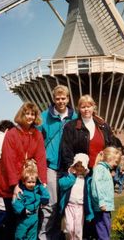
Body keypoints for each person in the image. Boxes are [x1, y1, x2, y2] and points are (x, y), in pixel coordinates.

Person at [0, 102, 47, 240]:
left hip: (28, 180)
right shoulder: (12, 133)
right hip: (10, 180)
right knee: (13, 218)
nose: (30, 117)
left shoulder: (37, 133)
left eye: (32, 114)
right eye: (27, 113)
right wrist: (14, 185)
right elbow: (8, 160)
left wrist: (43, 180)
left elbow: (41, 157)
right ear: (22, 114)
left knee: (28, 218)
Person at [37, 85, 77, 240]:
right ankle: (44, 236)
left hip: (69, 166)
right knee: (50, 205)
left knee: (67, 204)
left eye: (63, 98)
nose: (60, 101)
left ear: (68, 99)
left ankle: (61, 235)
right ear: (53, 99)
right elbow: (36, 137)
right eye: (57, 98)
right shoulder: (45, 116)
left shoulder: (74, 117)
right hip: (51, 166)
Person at [60, 94, 113, 173]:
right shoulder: (71, 127)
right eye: (83, 107)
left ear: (93, 107)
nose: (86, 109)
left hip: (101, 171)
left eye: (89, 106)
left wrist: (111, 167)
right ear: (78, 109)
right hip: (79, 171)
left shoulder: (103, 126)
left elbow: (111, 146)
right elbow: (66, 150)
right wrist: (71, 168)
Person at [12, 159, 50, 240]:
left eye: (33, 182)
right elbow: (15, 202)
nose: (31, 184)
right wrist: (23, 210)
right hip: (24, 218)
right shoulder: (22, 191)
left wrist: (44, 199)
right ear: (24, 182)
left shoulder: (37, 187)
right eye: (29, 182)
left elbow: (45, 193)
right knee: (20, 235)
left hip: (34, 217)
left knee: (32, 235)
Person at [59, 153, 94, 240]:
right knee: (69, 228)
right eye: (77, 166)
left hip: (80, 208)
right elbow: (61, 184)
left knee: (78, 230)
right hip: (69, 206)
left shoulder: (86, 180)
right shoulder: (70, 177)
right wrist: (72, 177)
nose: (79, 168)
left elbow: (89, 198)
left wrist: (89, 213)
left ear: (85, 167)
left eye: (81, 166)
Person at [91, 147, 121, 240]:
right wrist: (102, 202)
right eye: (115, 162)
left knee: (105, 230)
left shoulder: (104, 169)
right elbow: (97, 185)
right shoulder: (100, 169)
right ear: (109, 159)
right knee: (103, 231)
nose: (115, 165)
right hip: (102, 206)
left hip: (104, 206)